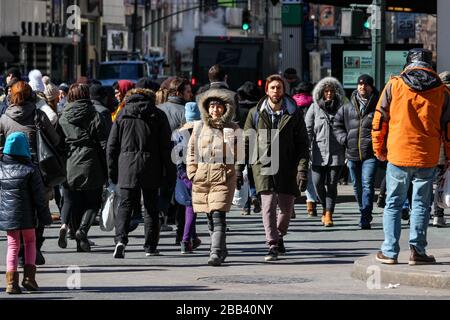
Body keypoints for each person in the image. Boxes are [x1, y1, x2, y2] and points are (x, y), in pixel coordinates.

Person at [372, 48, 450, 265]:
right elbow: (448, 128)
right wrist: (449, 157)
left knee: (393, 203)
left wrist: (379, 149)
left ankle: (389, 252)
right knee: (421, 205)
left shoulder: (395, 85)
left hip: (398, 154)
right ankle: (418, 251)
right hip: (427, 156)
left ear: (408, 63)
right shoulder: (442, 91)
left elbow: (379, 121)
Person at [236, 74, 309, 261]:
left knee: (286, 209)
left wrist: (301, 169)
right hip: (264, 162)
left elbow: (302, 143)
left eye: (279, 87)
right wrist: (239, 168)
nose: (276, 91)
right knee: (268, 206)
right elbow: (246, 141)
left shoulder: (294, 113)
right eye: (273, 87)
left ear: (284, 90)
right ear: (267, 90)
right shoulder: (255, 113)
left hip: (287, 164)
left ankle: (278, 235)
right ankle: (272, 244)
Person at [107, 88, 175, 258]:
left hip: (126, 166)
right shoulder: (158, 115)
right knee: (151, 207)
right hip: (152, 165)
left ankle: (121, 241)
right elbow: (166, 147)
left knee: (125, 204)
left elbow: (112, 146)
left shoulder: (122, 114)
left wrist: (112, 171)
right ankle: (150, 246)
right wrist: (169, 171)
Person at [0, 81, 61, 265]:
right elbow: (55, 139)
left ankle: (19, 253)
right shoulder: (38, 115)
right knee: (39, 207)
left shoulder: (4, 118)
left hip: (10, 171)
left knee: (16, 209)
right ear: (30, 95)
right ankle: (34, 247)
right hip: (37, 169)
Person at [187, 89, 239, 266]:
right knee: (209, 217)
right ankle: (221, 249)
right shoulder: (200, 127)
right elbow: (191, 151)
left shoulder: (232, 128)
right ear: (206, 109)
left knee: (218, 216)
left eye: (219, 106)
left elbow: (238, 154)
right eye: (212, 106)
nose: (215, 110)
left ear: (225, 109)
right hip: (202, 177)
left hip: (223, 177)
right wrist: (192, 172)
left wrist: (234, 170)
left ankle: (215, 252)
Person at [58, 83, 108, 252]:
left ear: (70, 96)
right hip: (91, 163)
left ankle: (80, 241)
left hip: (70, 163)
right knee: (93, 202)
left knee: (75, 203)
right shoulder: (94, 114)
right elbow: (103, 142)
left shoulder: (63, 115)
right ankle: (82, 230)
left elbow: (57, 142)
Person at [0, 132, 52, 294]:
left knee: (12, 245)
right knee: (30, 242)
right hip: (28, 215)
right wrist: (45, 216)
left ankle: (11, 282)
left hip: (8, 215)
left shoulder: (1, 169)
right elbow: (39, 197)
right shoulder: (30, 169)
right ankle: (29, 278)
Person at [334, 74, 380, 229]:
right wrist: (343, 139)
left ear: (371, 87)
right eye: (360, 84)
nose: (362, 87)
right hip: (352, 152)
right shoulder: (347, 106)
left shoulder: (378, 105)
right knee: (357, 186)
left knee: (367, 184)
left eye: (366, 84)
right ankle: (363, 210)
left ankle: (365, 216)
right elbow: (337, 124)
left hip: (370, 153)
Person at [305, 77, 347, 227]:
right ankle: (324, 207)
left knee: (332, 184)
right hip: (318, 153)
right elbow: (308, 129)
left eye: (331, 91)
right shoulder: (314, 107)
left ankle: (329, 213)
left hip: (337, 153)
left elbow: (348, 127)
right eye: (326, 91)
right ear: (322, 93)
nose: (329, 94)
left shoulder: (342, 107)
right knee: (317, 183)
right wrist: (307, 148)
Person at [157, 77, 192, 236]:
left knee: (164, 192)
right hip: (181, 158)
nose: (190, 95)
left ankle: (159, 218)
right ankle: (180, 233)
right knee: (183, 198)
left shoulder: (159, 108)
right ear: (178, 92)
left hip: (161, 158)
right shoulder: (187, 111)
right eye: (188, 91)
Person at [172, 102, 203, 253]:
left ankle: (192, 238)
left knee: (189, 208)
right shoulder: (203, 132)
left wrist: (183, 176)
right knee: (191, 208)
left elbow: (176, 158)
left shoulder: (177, 133)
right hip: (198, 173)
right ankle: (185, 240)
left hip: (182, 174)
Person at [236, 81, 262, 215]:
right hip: (256, 143)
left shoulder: (238, 107)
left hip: (241, 142)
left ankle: (246, 207)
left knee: (242, 174)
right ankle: (254, 196)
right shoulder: (258, 109)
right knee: (252, 173)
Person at [292, 81, 317, 217]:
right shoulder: (314, 104)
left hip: (293, 144)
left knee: (292, 176)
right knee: (308, 176)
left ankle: (291, 207)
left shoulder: (291, 104)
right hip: (310, 144)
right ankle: (311, 206)